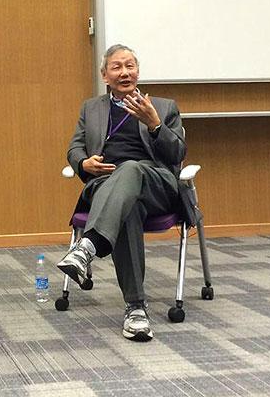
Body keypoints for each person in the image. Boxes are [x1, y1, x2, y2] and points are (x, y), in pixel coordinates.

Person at [57, 44, 186, 342]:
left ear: (138, 71)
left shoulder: (164, 106)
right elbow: (75, 147)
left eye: (130, 66)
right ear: (105, 75)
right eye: (117, 67)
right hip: (106, 187)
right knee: (127, 208)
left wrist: (154, 124)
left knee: (130, 169)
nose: (124, 72)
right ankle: (136, 309)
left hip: (156, 185)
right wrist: (83, 162)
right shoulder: (91, 108)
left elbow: (178, 152)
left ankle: (88, 247)